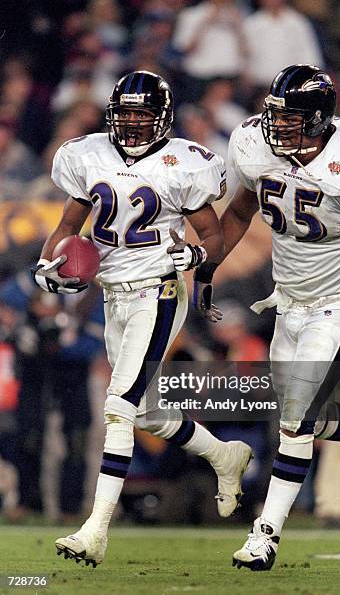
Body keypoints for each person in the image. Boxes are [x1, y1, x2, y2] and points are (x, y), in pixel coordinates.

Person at [32, 70, 252, 566]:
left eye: (141, 114)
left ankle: (96, 528)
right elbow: (69, 227)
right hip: (112, 295)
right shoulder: (89, 155)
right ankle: (224, 454)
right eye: (125, 113)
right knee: (147, 412)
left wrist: (195, 258)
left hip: (158, 291)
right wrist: (47, 269)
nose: (131, 123)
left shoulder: (185, 164)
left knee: (118, 406)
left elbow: (213, 238)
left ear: (162, 118)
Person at [220, 64, 340, 571]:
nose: (277, 124)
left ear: (319, 119)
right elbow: (238, 212)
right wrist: (208, 266)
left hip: (339, 304)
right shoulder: (257, 147)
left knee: (296, 422)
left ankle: (265, 535)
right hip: (287, 303)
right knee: (300, 420)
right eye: (275, 113)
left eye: (291, 116)